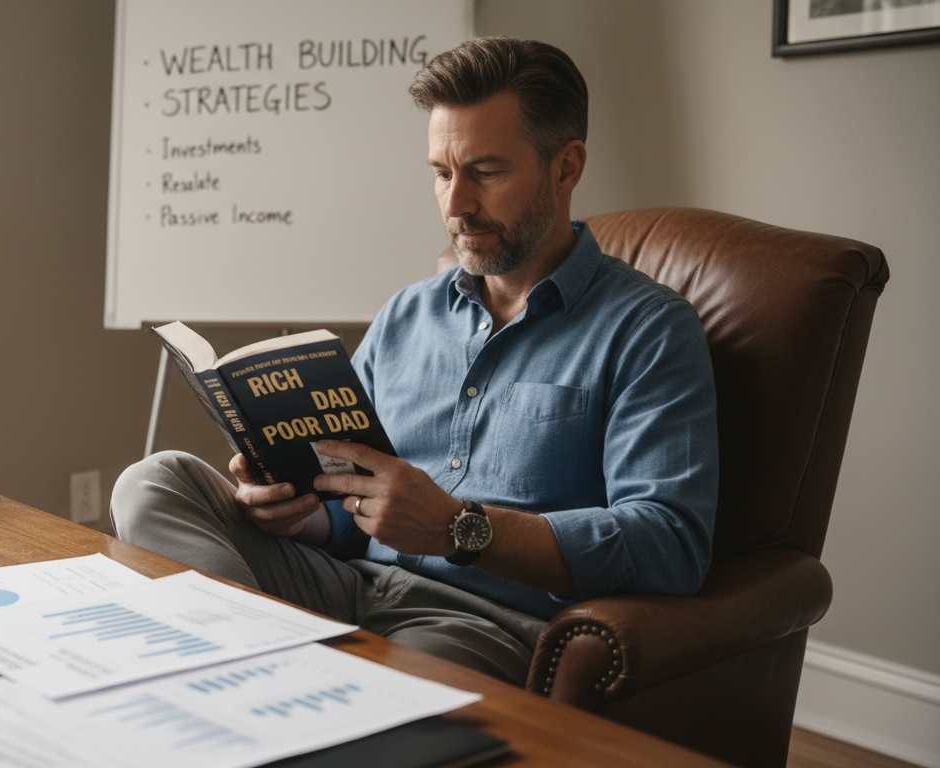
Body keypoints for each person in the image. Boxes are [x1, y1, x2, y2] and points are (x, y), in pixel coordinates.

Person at [110, 37, 718, 685]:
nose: (455, 204)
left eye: (484, 172)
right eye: (440, 172)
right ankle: (255, 674)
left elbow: (669, 543)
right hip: (347, 582)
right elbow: (353, 501)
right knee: (156, 481)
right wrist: (305, 513)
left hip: (479, 622)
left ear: (566, 168)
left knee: (383, 693)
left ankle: (255, 678)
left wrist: (462, 528)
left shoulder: (649, 329)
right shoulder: (407, 315)